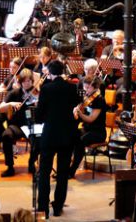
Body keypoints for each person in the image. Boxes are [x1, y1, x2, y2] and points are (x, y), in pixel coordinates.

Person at [36, 60, 81, 218]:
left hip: (49, 135)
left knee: (44, 172)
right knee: (62, 173)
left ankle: (43, 208)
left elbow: (40, 114)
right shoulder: (72, 87)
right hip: (67, 136)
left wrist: (41, 118)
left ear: (50, 72)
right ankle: (58, 206)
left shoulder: (46, 88)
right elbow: (75, 109)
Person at [0, 68, 36, 177]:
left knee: (37, 138)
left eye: (29, 81)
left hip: (32, 125)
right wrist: (10, 104)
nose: (27, 84)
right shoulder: (14, 93)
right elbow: (0, 108)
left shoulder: (37, 93)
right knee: (6, 135)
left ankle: (32, 163)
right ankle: (10, 167)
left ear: (32, 81)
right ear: (20, 82)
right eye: (24, 81)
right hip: (17, 126)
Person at [69, 76, 107, 178]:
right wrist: (76, 110)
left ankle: (72, 170)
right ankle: (66, 167)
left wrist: (80, 113)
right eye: (85, 87)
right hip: (87, 129)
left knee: (81, 141)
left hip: (98, 132)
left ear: (95, 88)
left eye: (88, 88)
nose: (86, 90)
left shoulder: (99, 100)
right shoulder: (86, 98)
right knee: (71, 136)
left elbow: (91, 119)